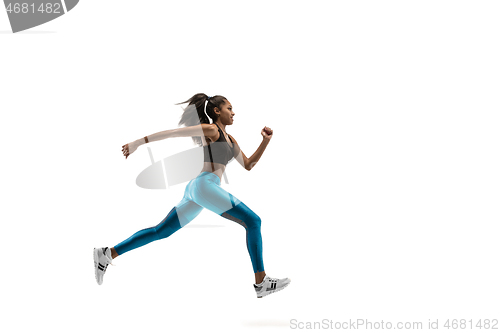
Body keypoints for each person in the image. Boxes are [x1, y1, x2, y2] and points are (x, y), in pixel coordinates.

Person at [93, 93, 290, 298]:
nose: (233, 112)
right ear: (217, 111)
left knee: (161, 231)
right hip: (205, 186)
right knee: (253, 221)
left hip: (199, 189)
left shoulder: (231, 139)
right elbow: (173, 133)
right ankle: (261, 282)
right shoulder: (212, 130)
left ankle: (107, 253)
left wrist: (265, 141)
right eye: (229, 108)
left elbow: (248, 165)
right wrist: (137, 143)